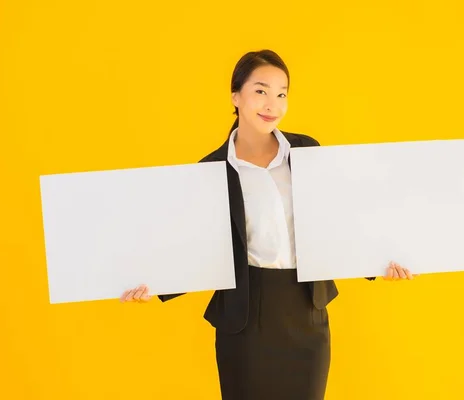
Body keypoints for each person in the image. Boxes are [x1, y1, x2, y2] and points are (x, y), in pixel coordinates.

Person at [120, 49, 415, 400]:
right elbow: (194, 246)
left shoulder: (307, 151)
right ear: (236, 96)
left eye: (281, 93)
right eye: (260, 90)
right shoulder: (211, 170)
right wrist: (151, 283)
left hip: (306, 310)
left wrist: (380, 262)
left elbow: (338, 220)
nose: (271, 103)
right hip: (245, 316)